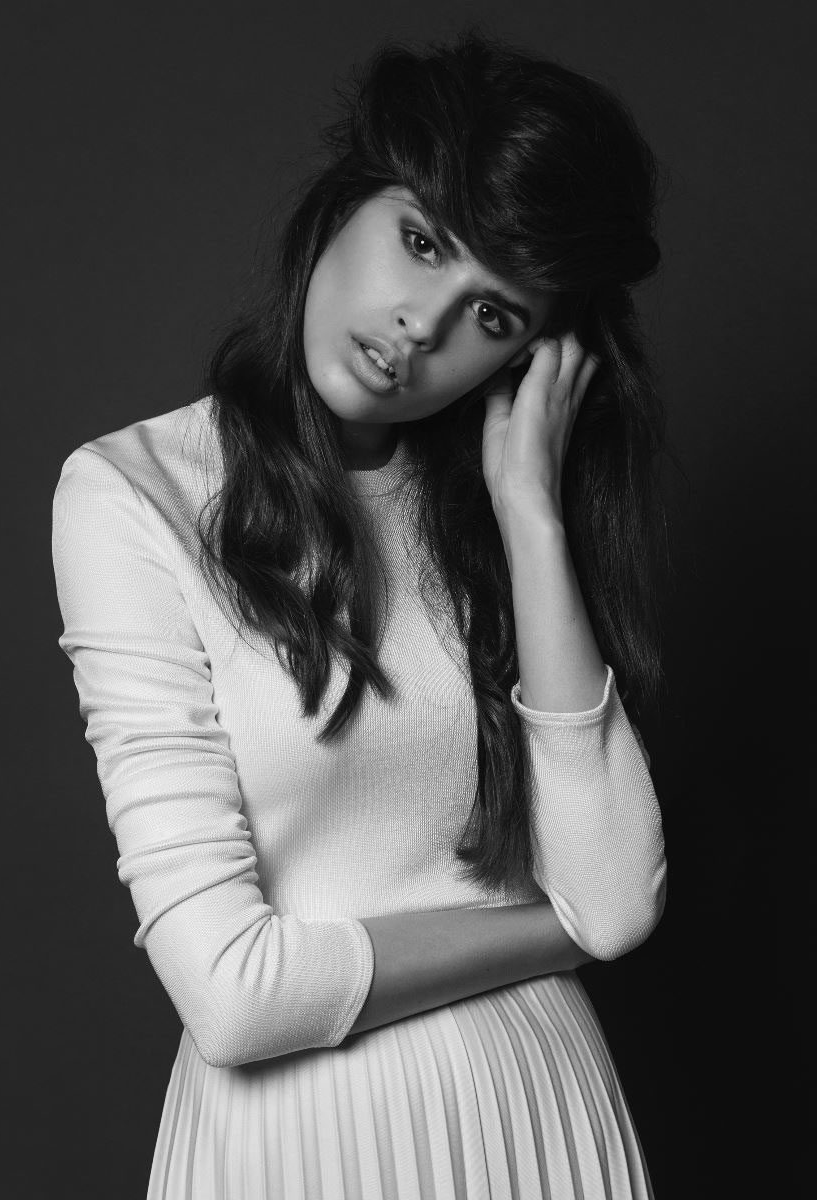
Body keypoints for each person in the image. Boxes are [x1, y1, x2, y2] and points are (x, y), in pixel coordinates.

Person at [52, 31, 668, 1199]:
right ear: (344, 202)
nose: (422, 327)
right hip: (297, 1144)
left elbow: (615, 888)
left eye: (493, 316)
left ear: (528, 359)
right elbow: (234, 998)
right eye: (421, 242)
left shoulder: (493, 515)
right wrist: (555, 931)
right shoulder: (134, 496)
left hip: (537, 1118)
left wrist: (531, 516)